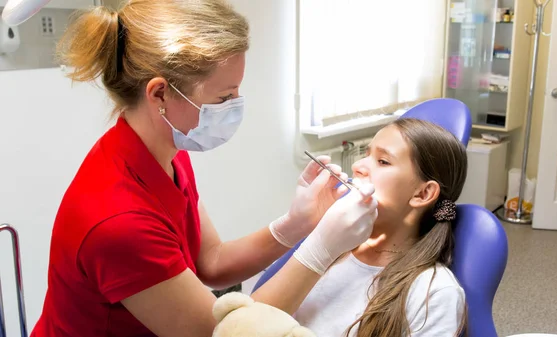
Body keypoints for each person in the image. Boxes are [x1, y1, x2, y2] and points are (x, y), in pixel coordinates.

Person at [29, 1, 378, 336]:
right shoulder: (119, 221)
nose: (234, 108)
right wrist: (321, 248)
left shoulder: (165, 150)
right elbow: (223, 335)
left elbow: (211, 261)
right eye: (224, 98)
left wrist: (295, 224)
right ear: (160, 95)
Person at [292, 118, 469, 337]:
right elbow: (260, 320)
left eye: (382, 161)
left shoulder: (433, 293)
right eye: (366, 155)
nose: (358, 166)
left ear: (422, 194)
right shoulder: (332, 249)